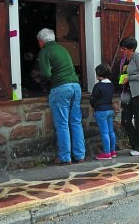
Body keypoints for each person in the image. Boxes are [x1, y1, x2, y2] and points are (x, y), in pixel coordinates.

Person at [37, 28, 85, 165]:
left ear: (41, 41)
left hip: (61, 88)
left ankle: (65, 157)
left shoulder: (45, 51)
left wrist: (43, 85)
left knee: (62, 124)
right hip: (75, 86)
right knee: (76, 122)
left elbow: (46, 74)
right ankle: (80, 155)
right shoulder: (62, 49)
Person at [119, 37, 139, 156]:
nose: (122, 50)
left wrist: (130, 78)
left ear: (132, 49)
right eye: (121, 48)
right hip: (127, 93)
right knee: (125, 120)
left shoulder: (138, 57)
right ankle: (135, 144)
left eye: (124, 49)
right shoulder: (124, 59)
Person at [90, 64, 116, 160]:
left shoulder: (98, 86)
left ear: (98, 74)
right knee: (111, 131)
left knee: (104, 132)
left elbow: (93, 99)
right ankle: (113, 151)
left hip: (101, 111)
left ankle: (106, 153)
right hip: (109, 109)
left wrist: (93, 106)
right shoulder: (111, 85)